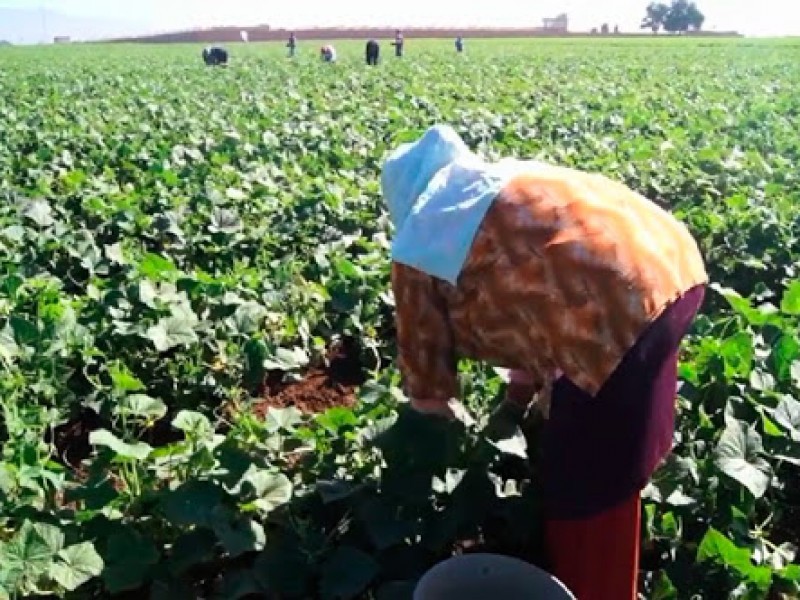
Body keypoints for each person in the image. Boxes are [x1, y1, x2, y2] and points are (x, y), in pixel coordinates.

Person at [381, 125, 708, 600]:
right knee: (627, 433)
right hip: (672, 270)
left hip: (609, 316)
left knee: (586, 481)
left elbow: (429, 394)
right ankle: (624, 532)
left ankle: (598, 586)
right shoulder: (507, 183)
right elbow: (535, 296)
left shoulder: (417, 247)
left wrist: (428, 463)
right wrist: (518, 403)